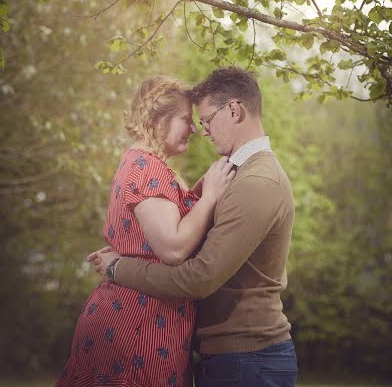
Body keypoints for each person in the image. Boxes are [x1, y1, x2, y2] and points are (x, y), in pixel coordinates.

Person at [89, 66, 298, 387]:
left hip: (248, 359)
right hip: (236, 357)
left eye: (206, 120)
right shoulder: (239, 173)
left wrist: (119, 268)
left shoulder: (256, 181)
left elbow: (198, 278)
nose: (202, 131)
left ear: (234, 110)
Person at [56, 75, 235, 387]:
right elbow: (174, 248)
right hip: (139, 326)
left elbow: (168, 223)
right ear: (156, 120)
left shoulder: (143, 162)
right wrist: (209, 198)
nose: (193, 129)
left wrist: (200, 191)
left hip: (144, 317)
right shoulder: (148, 168)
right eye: (185, 120)